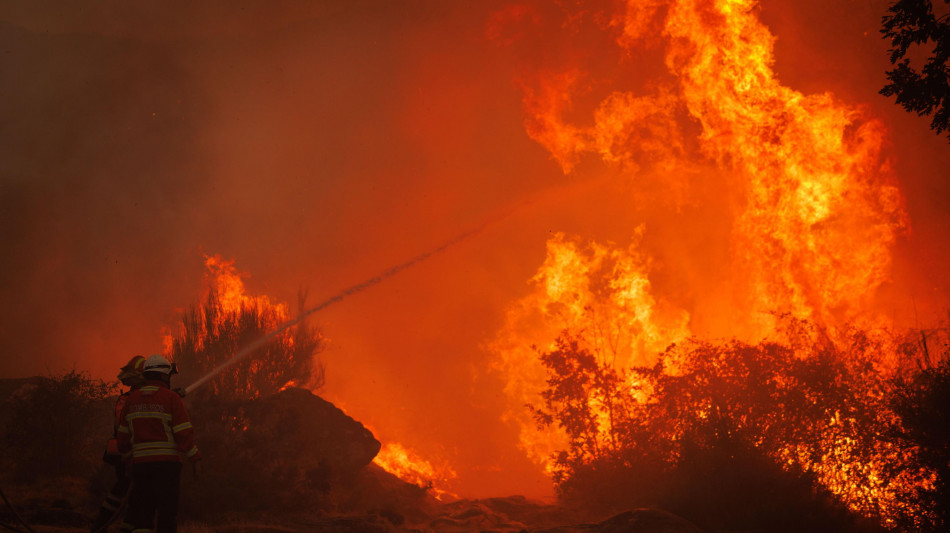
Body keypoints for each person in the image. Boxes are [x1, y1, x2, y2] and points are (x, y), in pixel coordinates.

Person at [116, 355, 200, 533]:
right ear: (163, 376)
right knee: (166, 515)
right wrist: (195, 458)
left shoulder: (132, 400)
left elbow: (122, 437)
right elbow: (183, 432)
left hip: (141, 467)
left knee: (143, 516)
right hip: (167, 467)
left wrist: (128, 460)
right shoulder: (172, 399)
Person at [91, 355, 147, 533]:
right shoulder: (131, 400)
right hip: (128, 454)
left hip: (124, 453)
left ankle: (107, 526)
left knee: (125, 491)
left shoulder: (129, 398)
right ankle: (104, 526)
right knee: (132, 492)